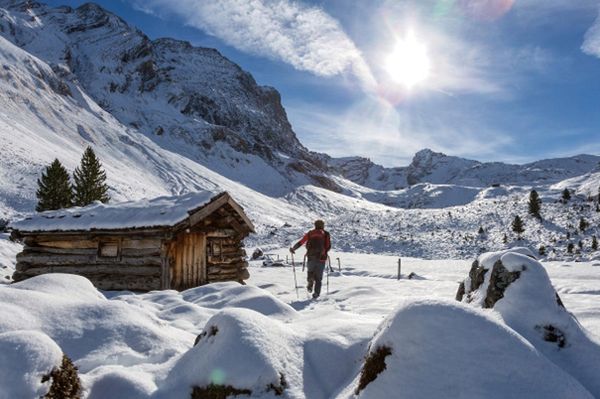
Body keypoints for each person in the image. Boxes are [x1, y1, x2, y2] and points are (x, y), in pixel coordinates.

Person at [290, 220, 331, 299]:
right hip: (322, 258)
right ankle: (316, 294)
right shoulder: (326, 234)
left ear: (315, 225)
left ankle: (310, 281)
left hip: (311, 257)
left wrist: (293, 249)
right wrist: (324, 252)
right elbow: (328, 246)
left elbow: (301, 242)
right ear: (322, 225)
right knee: (319, 278)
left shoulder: (310, 233)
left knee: (310, 272)